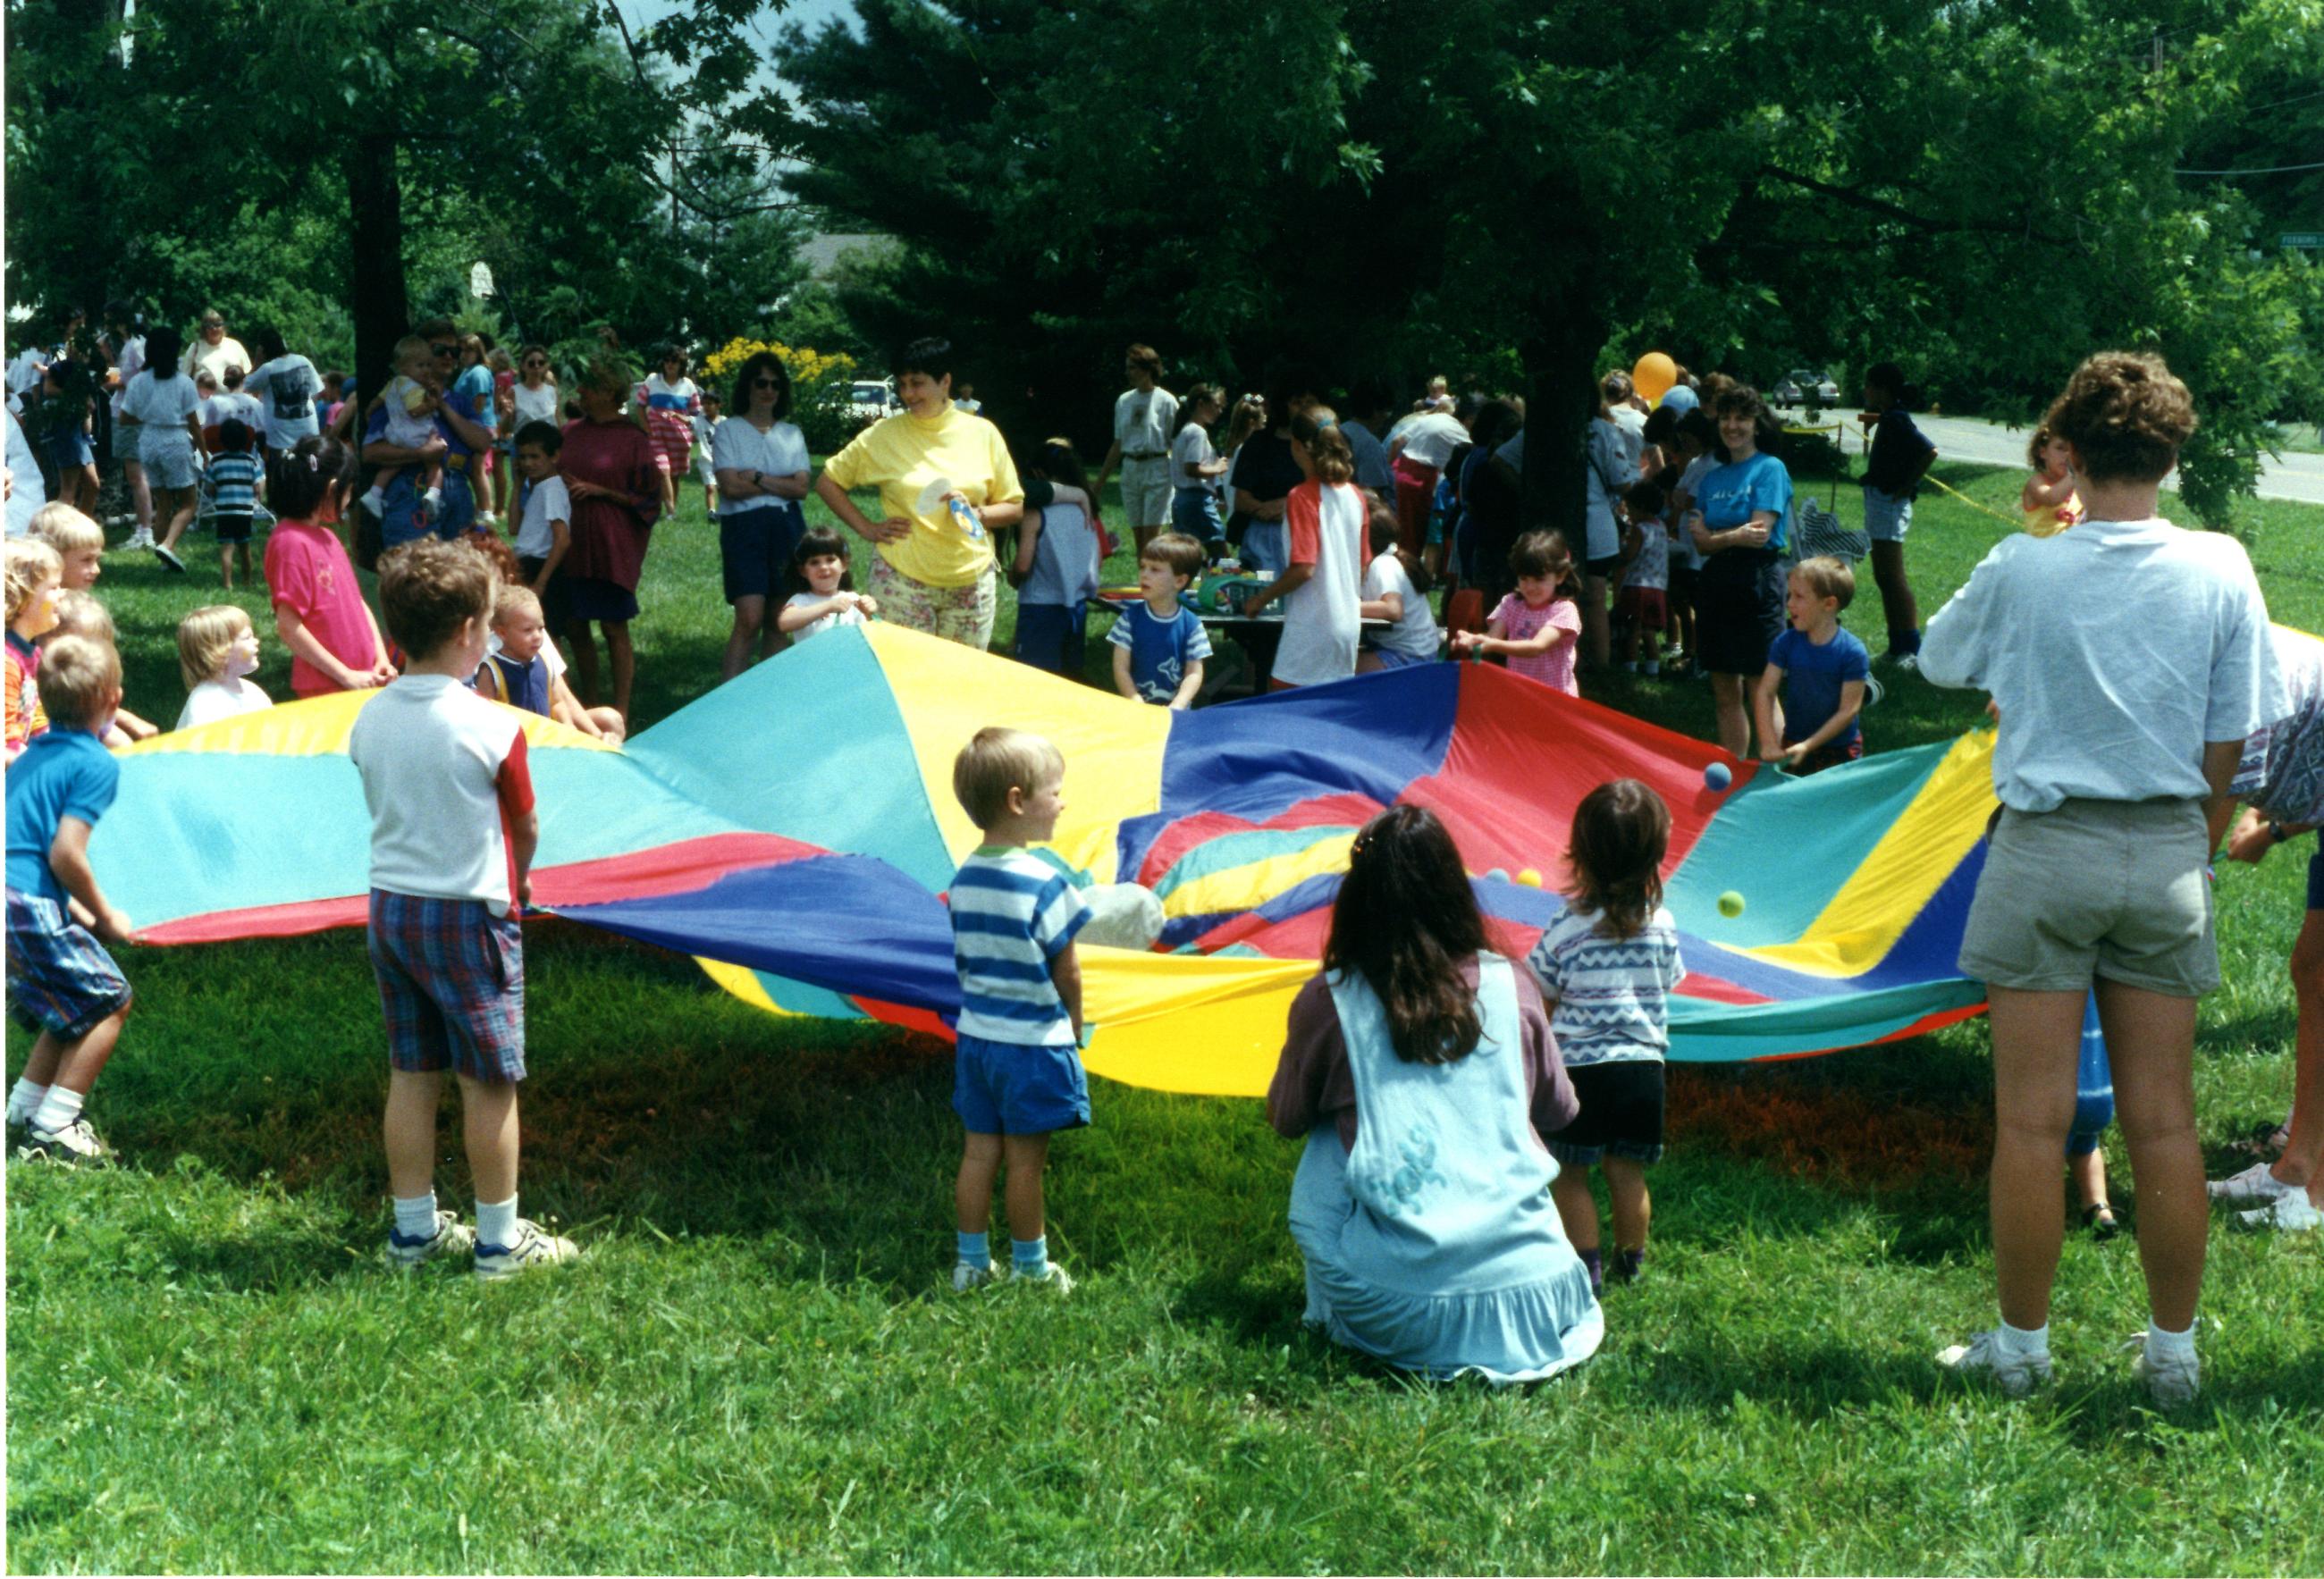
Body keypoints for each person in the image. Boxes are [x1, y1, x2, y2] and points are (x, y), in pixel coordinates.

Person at [1921, 351, 2286, 1404]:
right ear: (2173, 454)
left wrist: (2038, 532)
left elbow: (1941, 660)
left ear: (2067, 452)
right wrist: (2194, 839)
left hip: (2042, 850)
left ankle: (2019, 1352)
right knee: (2164, 1122)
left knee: (2029, 1124)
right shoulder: (2220, 564)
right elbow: (2232, 736)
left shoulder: (2024, 560)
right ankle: (2171, 1357)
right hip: (2166, 849)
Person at [1267, 803, 1601, 1382]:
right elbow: (1559, 1109)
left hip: (1401, 1308)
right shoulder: (1512, 984)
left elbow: (1288, 1117)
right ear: (1456, 888)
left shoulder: (1332, 998)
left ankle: (1327, 1315)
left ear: (1359, 894)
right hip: (1541, 1297)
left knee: (1332, 1132)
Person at [351, 539, 577, 1280]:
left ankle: (411, 1234)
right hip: (468, 914)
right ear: (469, 634)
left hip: (391, 909)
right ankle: (498, 1242)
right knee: (488, 1080)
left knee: (410, 1071)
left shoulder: (369, 719)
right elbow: (527, 824)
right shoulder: (491, 724)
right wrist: (523, 883)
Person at [947, 726, 1090, 1293]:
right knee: (1026, 1164)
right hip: (1032, 1045)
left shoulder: (963, 880)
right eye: (1054, 791)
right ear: (1017, 801)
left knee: (979, 1155)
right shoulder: (1046, 883)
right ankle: (1032, 1267)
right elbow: (1069, 971)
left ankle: (970, 1264)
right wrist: (1073, 1026)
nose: (1062, 801)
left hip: (977, 1041)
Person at [1526, 779, 1683, 1294]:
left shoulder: (1566, 928)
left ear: (1581, 855)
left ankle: (1586, 1269)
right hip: (1642, 1072)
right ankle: (1630, 1263)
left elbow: (1539, 998)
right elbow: (1667, 982)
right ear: (1655, 856)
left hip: (1580, 1074)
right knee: (1627, 1173)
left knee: (1571, 1175)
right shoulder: (1663, 924)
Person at [4, 634, 139, 1163]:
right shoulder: (96, 763)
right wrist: (105, 914)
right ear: (114, 698)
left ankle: (22, 1111)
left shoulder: (35, 751)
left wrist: (77, 914)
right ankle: (55, 1130)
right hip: (24, 901)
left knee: (68, 1006)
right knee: (109, 999)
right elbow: (65, 855)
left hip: (12, 897)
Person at [813, 338, 1023, 650]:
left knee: (962, 684)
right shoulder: (884, 435)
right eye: (903, 384)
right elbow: (828, 482)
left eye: (917, 383)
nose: (908, 394)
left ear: (945, 382)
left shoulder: (983, 433)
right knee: (905, 682)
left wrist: (977, 514)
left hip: (971, 583)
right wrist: (867, 528)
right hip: (901, 581)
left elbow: (1015, 507)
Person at [1688, 385, 1793, 760]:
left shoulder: (1770, 469)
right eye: (1726, 418)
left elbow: (1759, 534)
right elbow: (1700, 543)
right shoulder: (1712, 479)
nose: (1732, 426)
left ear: (1757, 424)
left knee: (1760, 684)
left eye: (1742, 418)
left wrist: (1718, 537)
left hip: (1758, 580)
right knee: (1723, 688)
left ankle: (1774, 771)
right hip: (1716, 582)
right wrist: (1730, 537)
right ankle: (1734, 770)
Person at [557, 357, 663, 723]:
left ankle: (621, 708)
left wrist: (603, 492)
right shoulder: (571, 432)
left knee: (613, 626)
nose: (581, 391)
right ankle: (589, 702)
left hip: (611, 545)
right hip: (570, 542)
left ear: (610, 394)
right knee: (574, 625)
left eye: (590, 386)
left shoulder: (633, 440)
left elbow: (651, 499)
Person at [265, 435, 396, 699]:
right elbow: (288, 626)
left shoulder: (329, 538)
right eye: (349, 491)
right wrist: (344, 675)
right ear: (332, 489)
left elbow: (358, 603)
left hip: (362, 678)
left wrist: (380, 657)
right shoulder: (289, 542)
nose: (349, 499)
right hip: (327, 687)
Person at [1242, 412, 1363, 690]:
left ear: (1296, 445)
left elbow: (1304, 568)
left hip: (1312, 627)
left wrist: (1261, 599)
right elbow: (1363, 564)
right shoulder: (1356, 496)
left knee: (1287, 717)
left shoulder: (1302, 495)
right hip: (1347, 627)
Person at [710, 350, 811, 680]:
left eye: (775, 385)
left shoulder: (792, 433)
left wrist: (755, 477)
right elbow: (729, 487)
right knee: (749, 617)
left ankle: (767, 697)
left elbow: (801, 488)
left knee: (779, 619)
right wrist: (777, 484)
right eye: (761, 383)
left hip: (787, 527)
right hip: (744, 528)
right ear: (748, 387)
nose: (769, 390)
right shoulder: (728, 430)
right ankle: (727, 700)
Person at [1754, 556, 1870, 774]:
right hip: (1794, 741)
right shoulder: (1786, 642)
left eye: (1799, 596)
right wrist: (1768, 741)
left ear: (1829, 603)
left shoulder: (1852, 652)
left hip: (1840, 749)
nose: (1789, 603)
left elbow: (1848, 710)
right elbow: (1766, 692)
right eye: (1790, 595)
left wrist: (1809, 745)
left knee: (1837, 805)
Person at [1858, 362, 1936, 668]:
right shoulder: (1889, 417)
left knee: (1893, 576)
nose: (1865, 390)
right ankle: (1896, 643)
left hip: (1889, 503)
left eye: (1869, 385)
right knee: (1882, 576)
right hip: (1878, 500)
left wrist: (1908, 486)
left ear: (1882, 389)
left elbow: (1929, 452)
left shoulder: (1898, 419)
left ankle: (1911, 647)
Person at [1011, 439, 1104, 677]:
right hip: (1077, 605)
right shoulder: (1087, 508)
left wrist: (1012, 578)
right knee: (1070, 677)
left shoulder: (1035, 512)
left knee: (1035, 679)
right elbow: (1097, 559)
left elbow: (1022, 565)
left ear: (1038, 473)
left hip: (1040, 607)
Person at [1454, 530, 1583, 697]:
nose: (1530, 586)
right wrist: (1474, 640)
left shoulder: (1564, 610)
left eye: (1539, 579)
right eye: (1524, 578)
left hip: (1555, 698)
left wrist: (1492, 645)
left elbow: (1537, 647)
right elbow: (1492, 638)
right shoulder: (1511, 604)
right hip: (1520, 693)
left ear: (1560, 576)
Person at [122, 325, 202, 574]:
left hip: (148, 440)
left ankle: (164, 558)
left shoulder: (138, 381)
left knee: (164, 502)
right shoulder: (184, 383)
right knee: (189, 502)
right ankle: (168, 545)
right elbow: (195, 425)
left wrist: (149, 418)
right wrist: (205, 453)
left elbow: (125, 418)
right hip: (175, 439)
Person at [1093, 344, 1178, 556]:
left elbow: (1176, 442)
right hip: (1131, 469)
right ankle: (1145, 586)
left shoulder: (1166, 401)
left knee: (1153, 538)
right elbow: (1118, 443)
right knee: (1140, 541)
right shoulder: (1124, 401)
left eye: (1132, 367)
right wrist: (1100, 482)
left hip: (1158, 468)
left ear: (1147, 369)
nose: (1127, 372)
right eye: (1127, 367)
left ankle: (1158, 584)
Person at [1108, 532, 1210, 708]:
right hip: (1137, 711)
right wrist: (1134, 700)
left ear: (1179, 581)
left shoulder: (1191, 625)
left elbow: (1194, 673)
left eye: (1154, 569)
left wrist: (1178, 704)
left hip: (1176, 715)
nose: (1144, 574)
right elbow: (1120, 667)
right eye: (1143, 567)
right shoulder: (1130, 619)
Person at [358, 336, 450, 524]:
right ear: (403, 367)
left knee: (393, 464)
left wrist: (369, 413)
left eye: (428, 365)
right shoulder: (413, 388)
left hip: (395, 433)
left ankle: (375, 493)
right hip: (417, 433)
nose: (426, 370)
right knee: (435, 463)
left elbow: (377, 401)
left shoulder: (393, 383)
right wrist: (432, 404)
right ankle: (433, 494)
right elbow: (414, 411)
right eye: (420, 366)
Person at [1357, 497, 1441, 672]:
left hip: (1412, 656)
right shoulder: (1381, 561)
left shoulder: (1384, 564)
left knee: (1334, 670)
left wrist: (1344, 607)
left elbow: (1393, 609)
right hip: (1397, 649)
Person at [1385, 395, 1468, 558]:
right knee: (1418, 537)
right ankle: (1411, 574)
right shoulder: (1459, 431)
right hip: (1421, 479)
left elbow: (1396, 442)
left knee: (1399, 531)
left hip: (1400, 470)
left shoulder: (1427, 419)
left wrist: (1388, 470)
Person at [101, 302, 154, 549]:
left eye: (110, 319)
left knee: (137, 475)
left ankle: (145, 532)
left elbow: (144, 376)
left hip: (132, 414)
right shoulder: (127, 345)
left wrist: (120, 380)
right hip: (121, 410)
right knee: (134, 475)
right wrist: (109, 358)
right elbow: (114, 381)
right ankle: (143, 528)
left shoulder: (138, 344)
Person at [240, 323, 322, 483]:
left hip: (280, 437)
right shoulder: (303, 361)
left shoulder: (267, 369)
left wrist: (257, 362)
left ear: (263, 350)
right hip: (309, 431)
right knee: (310, 477)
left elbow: (244, 386)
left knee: (281, 480)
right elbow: (317, 392)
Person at [5, 537, 62, 759]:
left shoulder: (32, 653)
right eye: (54, 587)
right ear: (22, 596)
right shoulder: (7, 664)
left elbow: (36, 717)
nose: (62, 594)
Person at [174, 604, 273, 730]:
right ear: (219, 650)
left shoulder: (252, 691)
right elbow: (201, 745)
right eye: (247, 637)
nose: (256, 641)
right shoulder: (206, 701)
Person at [509, 420, 572, 608]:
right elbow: (513, 528)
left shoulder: (552, 489)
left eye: (535, 457)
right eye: (523, 457)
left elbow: (562, 539)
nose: (528, 463)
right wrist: (518, 486)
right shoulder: (539, 487)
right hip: (525, 564)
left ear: (554, 456)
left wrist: (541, 582)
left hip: (539, 567)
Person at [778, 525, 879, 644]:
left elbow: (868, 637)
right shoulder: (803, 600)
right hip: (812, 662)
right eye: (814, 562)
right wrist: (828, 606)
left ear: (844, 564)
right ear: (803, 571)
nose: (823, 567)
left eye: (830, 560)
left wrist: (868, 613)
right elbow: (784, 623)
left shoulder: (852, 599)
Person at [636, 345, 703, 516]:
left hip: (679, 438)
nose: (670, 364)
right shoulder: (653, 380)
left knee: (674, 475)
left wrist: (691, 428)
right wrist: (646, 428)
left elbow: (696, 413)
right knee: (662, 469)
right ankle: (670, 511)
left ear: (681, 364)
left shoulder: (688, 385)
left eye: (674, 361)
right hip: (656, 435)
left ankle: (670, 513)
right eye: (667, 360)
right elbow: (640, 406)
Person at [1616, 479, 1671, 676]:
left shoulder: (1640, 529)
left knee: (1633, 629)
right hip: (1657, 587)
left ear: (1640, 507)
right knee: (1649, 631)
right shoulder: (1662, 527)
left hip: (1637, 586)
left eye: (1630, 509)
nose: (1629, 514)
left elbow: (1629, 555)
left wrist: (1620, 553)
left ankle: (1629, 667)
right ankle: (1653, 669)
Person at [1167, 384, 1230, 548]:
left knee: (1187, 557)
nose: (1220, 411)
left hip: (1180, 500)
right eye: (1216, 406)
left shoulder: (1184, 430)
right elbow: (1191, 469)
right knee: (1220, 555)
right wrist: (1218, 468)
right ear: (1201, 404)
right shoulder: (1197, 432)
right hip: (1197, 501)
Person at [206, 419, 264, 590]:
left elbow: (210, 487)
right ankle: (247, 581)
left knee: (227, 548)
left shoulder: (216, 461)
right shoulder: (250, 461)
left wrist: (216, 493)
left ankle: (228, 583)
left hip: (224, 511)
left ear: (222, 439)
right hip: (245, 511)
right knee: (245, 548)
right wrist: (256, 497)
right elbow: (258, 487)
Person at [2019, 423, 2081, 537]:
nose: (2068, 455)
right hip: (2041, 550)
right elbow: (2051, 498)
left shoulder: (2079, 487)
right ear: (2043, 453)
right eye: (2060, 448)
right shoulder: (2036, 483)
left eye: (2073, 450)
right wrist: (2075, 473)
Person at [1339, 381, 1399, 497]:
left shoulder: (1340, 430)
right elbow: (1373, 493)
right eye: (1387, 411)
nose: (1387, 416)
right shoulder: (1369, 444)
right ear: (1376, 411)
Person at [30, 503, 104, 592]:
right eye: (87, 560)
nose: (97, 570)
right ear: (54, 559)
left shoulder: (79, 604)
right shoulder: (38, 605)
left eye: (97, 559)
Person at [180, 309, 249, 385]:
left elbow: (247, 374)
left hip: (233, 396)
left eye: (218, 325)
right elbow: (184, 378)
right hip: (202, 397)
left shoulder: (235, 345)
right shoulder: (195, 347)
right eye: (210, 326)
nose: (214, 329)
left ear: (223, 327)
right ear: (204, 329)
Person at [692, 391, 721, 516]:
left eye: (710, 404)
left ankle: (724, 512)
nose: (706, 407)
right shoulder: (700, 421)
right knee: (710, 487)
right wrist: (676, 416)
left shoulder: (725, 422)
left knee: (722, 488)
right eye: (704, 404)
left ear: (718, 405)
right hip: (706, 459)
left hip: (722, 461)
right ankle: (711, 513)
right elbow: (689, 420)